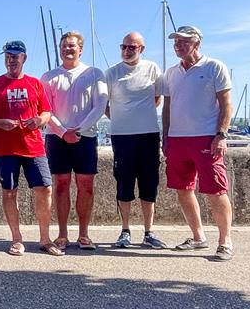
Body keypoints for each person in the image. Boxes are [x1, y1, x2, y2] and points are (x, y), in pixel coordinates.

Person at [0, 41, 63, 257]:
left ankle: (45, 238)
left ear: (23, 58)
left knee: (45, 188)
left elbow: (47, 112)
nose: (11, 60)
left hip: (33, 147)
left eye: (15, 56)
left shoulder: (34, 83)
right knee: (9, 192)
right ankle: (16, 239)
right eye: (7, 56)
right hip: (6, 150)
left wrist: (39, 120)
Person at [163, 25, 234, 261]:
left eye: (184, 41)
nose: (178, 45)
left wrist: (221, 134)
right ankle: (197, 236)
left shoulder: (215, 67)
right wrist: (166, 136)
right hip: (177, 139)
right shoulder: (171, 73)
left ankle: (225, 241)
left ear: (197, 43)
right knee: (183, 190)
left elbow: (226, 104)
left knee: (216, 190)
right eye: (176, 42)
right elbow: (167, 107)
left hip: (206, 137)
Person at [41, 31, 107, 251]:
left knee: (85, 186)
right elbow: (46, 110)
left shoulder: (94, 73)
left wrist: (79, 130)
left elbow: (100, 105)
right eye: (64, 46)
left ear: (80, 48)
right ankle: (61, 234)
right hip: (57, 138)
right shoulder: (49, 77)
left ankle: (84, 235)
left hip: (85, 137)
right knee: (61, 185)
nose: (68, 49)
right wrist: (62, 132)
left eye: (72, 46)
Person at [104, 32, 167, 249]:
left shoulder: (152, 69)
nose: (127, 50)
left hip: (148, 135)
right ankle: (125, 230)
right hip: (122, 136)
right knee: (124, 183)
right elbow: (104, 104)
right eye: (124, 46)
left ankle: (149, 232)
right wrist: (122, 119)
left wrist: (140, 117)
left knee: (149, 183)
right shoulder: (111, 73)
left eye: (132, 47)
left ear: (141, 49)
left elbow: (157, 98)